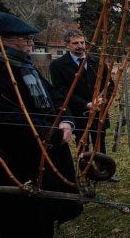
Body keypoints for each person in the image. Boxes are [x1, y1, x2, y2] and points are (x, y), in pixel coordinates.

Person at [0, 12, 83, 238]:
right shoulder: (0, 73)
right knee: (22, 211)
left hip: (46, 152)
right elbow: (7, 118)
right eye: (24, 39)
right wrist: (48, 132)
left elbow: (55, 97)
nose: (29, 44)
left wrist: (66, 120)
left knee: (43, 205)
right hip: (17, 158)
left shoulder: (27, 68)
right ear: (2, 40)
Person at [49, 29, 118, 182]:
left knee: (100, 139)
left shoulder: (97, 62)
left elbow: (109, 84)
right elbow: (61, 91)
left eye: (82, 42)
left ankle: (103, 171)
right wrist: (85, 104)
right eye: (75, 43)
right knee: (82, 142)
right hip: (79, 112)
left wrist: (103, 100)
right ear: (67, 45)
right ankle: (86, 173)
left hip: (99, 111)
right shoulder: (58, 66)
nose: (80, 46)